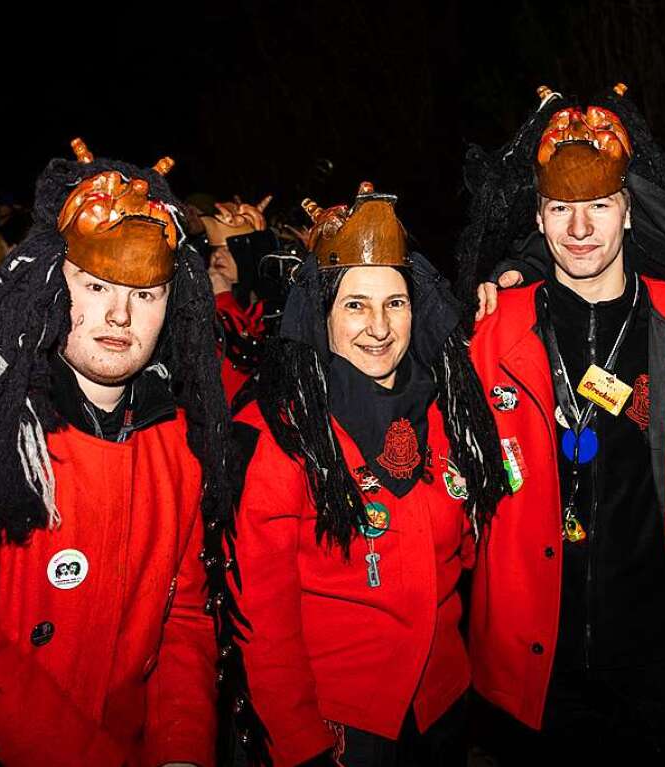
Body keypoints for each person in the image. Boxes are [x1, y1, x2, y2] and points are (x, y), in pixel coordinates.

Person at [0, 139, 257, 766]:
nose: (119, 314)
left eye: (145, 294)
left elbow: (183, 616)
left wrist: (180, 748)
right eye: (96, 284)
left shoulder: (181, 442)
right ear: (52, 281)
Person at [459, 85, 665, 764]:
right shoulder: (488, 333)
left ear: (630, 212)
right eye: (562, 209)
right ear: (539, 219)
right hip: (539, 680)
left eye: (600, 207)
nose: (581, 229)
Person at [229, 182, 508, 766]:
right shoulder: (283, 432)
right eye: (355, 304)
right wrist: (298, 740)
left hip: (442, 709)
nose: (379, 327)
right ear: (321, 313)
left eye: (395, 303)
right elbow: (264, 615)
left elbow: (465, 557)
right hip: (343, 727)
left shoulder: (447, 412)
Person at [201, 197, 274, 401]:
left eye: (228, 250)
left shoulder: (271, 311)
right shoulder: (202, 307)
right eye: (215, 250)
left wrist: (224, 298)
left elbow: (248, 355)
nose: (217, 257)